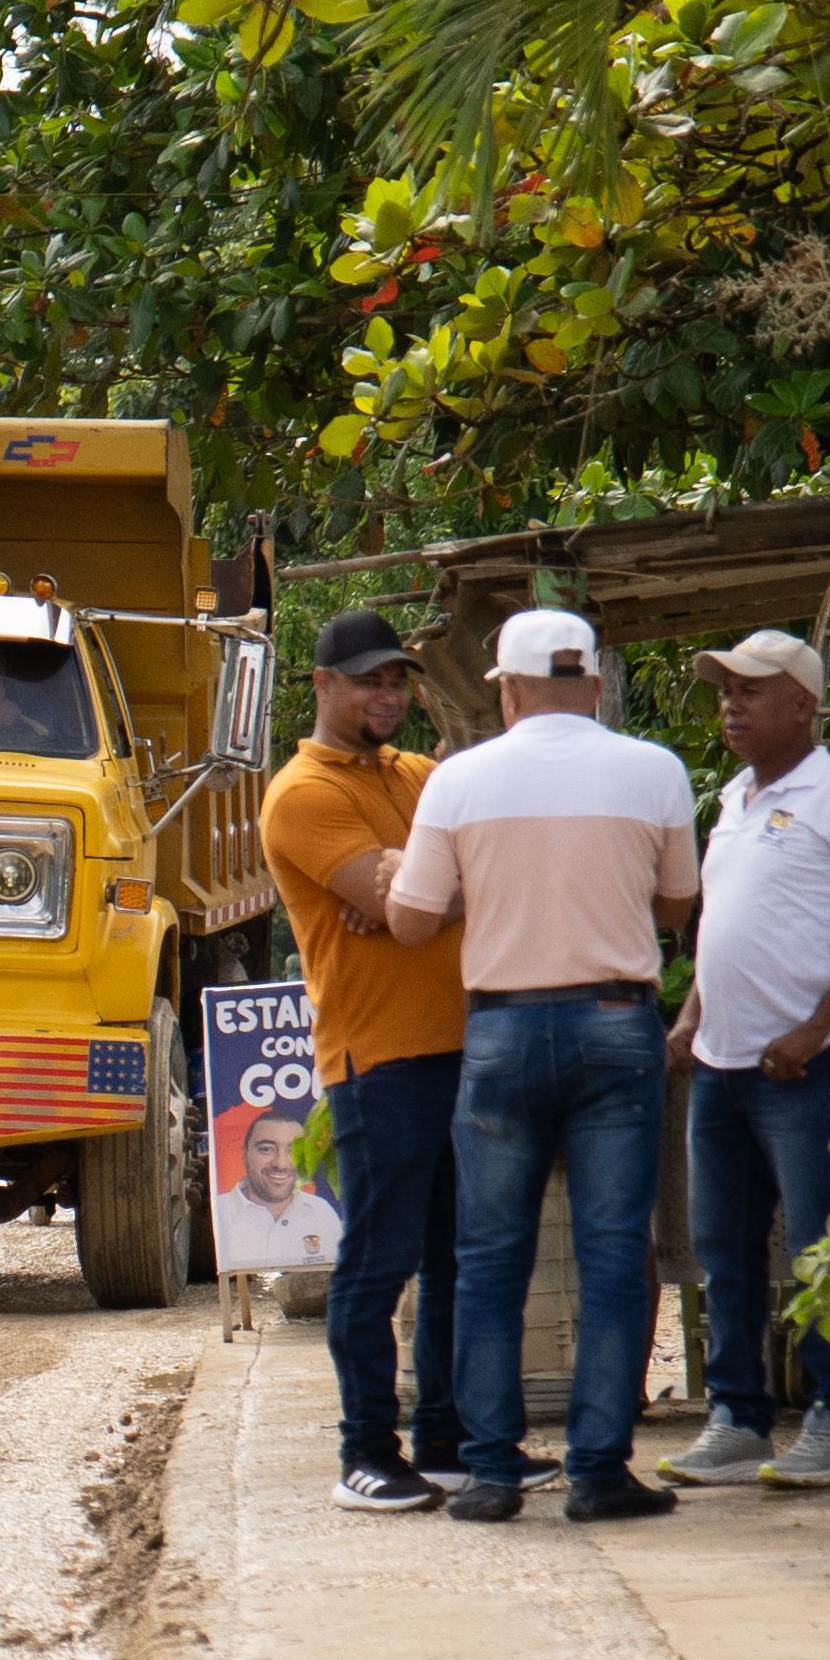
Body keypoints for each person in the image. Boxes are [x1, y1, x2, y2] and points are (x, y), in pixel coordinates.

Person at [385, 607, 699, 1525]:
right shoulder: (656, 771)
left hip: (503, 1030)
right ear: (596, 685)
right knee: (611, 1254)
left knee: (489, 1260)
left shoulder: (459, 780)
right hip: (615, 1022)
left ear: (509, 691)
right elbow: (679, 904)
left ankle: (489, 1470)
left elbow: (411, 917)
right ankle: (600, 1470)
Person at [654, 631, 830, 1492]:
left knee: (818, 1250)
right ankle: (736, 1419)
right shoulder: (731, 799)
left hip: (808, 1073)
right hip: (724, 1069)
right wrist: (691, 1014)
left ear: (803, 703)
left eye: (751, 690)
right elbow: (717, 924)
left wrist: (814, 1027)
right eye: (724, 688)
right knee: (724, 1249)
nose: (731, 703)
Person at [258, 607, 492, 1512]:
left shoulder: (422, 773)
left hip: (459, 1044)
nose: (387, 695)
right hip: (378, 1056)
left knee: (456, 1257)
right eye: (368, 680)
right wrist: (410, 890)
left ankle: (446, 1440)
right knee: (380, 1258)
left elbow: (432, 892)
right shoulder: (303, 794)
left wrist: (417, 885)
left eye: (397, 680)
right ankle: (364, 1451)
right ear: (322, 686)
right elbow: (406, 906)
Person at [231, 1107, 348, 1262]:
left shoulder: (322, 1211)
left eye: (293, 1151)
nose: (281, 1164)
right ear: (244, 1153)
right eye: (266, 1149)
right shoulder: (221, 1213)